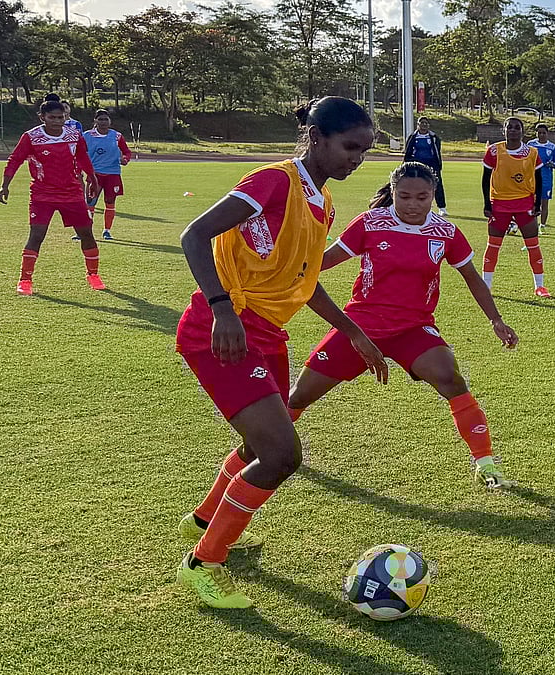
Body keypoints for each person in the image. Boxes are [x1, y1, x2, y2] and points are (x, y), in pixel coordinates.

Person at [173, 97, 388, 609]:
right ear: (315, 138)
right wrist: (222, 309)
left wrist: (353, 331)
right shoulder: (274, 181)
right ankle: (205, 562)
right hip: (222, 329)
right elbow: (194, 235)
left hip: (266, 333)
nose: (357, 159)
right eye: (349, 146)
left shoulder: (324, 201)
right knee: (282, 454)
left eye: (365, 149)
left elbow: (307, 281)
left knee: (261, 444)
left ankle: (203, 520)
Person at [286, 162, 520, 488]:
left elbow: (472, 278)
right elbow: (320, 264)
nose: (413, 204)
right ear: (392, 193)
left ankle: (485, 463)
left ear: (433, 195)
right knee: (299, 397)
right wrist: (285, 269)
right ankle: (270, 449)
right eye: (404, 196)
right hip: (361, 327)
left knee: (451, 379)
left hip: (414, 328)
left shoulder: (445, 232)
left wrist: (496, 320)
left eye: (422, 197)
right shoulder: (370, 223)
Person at [0, 99, 101, 295]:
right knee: (36, 236)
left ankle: (93, 275)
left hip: (71, 193)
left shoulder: (73, 134)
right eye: (52, 117)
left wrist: (92, 179)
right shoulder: (31, 137)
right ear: (42, 117)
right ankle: (25, 280)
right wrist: (5, 185)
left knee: (86, 233)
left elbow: (82, 157)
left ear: (66, 117)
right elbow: (15, 160)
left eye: (60, 117)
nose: (57, 121)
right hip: (42, 195)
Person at [481, 116, 548, 297]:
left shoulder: (532, 153)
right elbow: (486, 179)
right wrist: (487, 204)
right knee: (493, 245)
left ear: (522, 131)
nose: (513, 130)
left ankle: (540, 286)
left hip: (524, 203)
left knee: (533, 244)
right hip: (499, 204)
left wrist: (537, 204)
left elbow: (539, 179)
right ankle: (486, 286)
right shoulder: (494, 151)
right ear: (503, 131)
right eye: (509, 127)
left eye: (517, 127)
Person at [81, 109, 132, 241]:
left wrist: (125, 159)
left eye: (106, 119)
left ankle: (107, 230)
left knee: (110, 202)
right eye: (100, 119)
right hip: (95, 174)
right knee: (90, 202)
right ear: (95, 121)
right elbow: (79, 152)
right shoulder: (87, 136)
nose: (103, 122)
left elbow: (126, 151)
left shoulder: (117, 136)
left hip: (113, 174)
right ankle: (86, 231)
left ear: (110, 121)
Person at [402, 117, 447, 216]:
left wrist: (438, 164)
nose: (424, 125)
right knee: (415, 185)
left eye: (426, 123)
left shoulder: (434, 137)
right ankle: (416, 205)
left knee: (437, 184)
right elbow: (408, 151)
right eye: (422, 123)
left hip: (431, 164)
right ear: (417, 125)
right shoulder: (413, 137)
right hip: (417, 164)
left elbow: (437, 151)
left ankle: (442, 207)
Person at [527, 123, 555, 230]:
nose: (541, 135)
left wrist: (553, 164)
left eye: (543, 133)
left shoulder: (552, 147)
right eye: (539, 132)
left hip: (546, 179)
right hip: (532, 179)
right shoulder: (531, 144)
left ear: (547, 134)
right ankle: (533, 225)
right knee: (532, 203)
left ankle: (543, 226)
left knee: (544, 203)